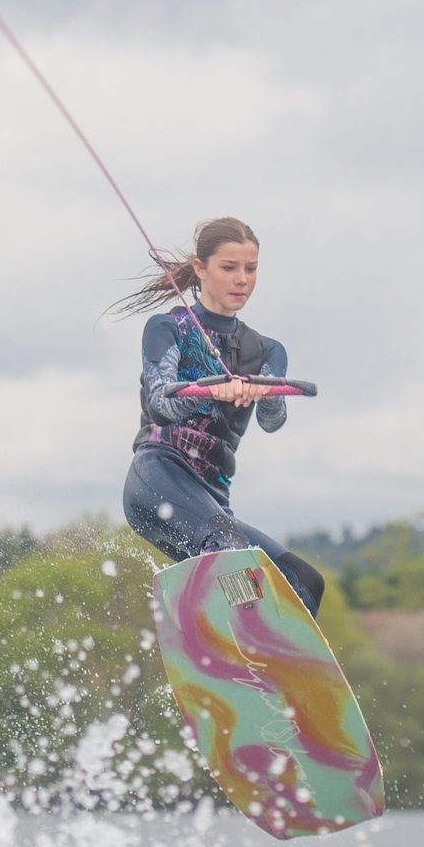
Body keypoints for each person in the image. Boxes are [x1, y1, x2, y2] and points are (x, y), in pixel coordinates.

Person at [116, 217, 326, 616]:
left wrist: (263, 395)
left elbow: (273, 420)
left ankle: (278, 670)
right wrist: (212, 389)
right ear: (200, 269)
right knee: (231, 557)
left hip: (211, 499)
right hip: (159, 479)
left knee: (302, 582)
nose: (241, 279)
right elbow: (162, 401)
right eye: (229, 268)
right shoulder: (168, 328)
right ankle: (227, 645)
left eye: (250, 269)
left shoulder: (266, 350)